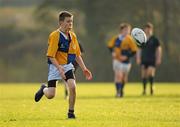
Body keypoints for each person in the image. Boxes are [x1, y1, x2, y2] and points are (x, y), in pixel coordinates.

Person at [34, 11, 92, 119]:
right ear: (61, 22)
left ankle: (71, 113)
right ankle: (43, 89)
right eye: (68, 22)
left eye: (71, 22)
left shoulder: (73, 36)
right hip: (54, 66)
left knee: (73, 87)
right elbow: (50, 56)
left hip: (67, 66)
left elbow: (77, 55)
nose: (70, 24)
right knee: (51, 95)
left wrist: (84, 68)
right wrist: (59, 68)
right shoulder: (54, 36)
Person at [107, 23, 138, 97]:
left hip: (126, 61)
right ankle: (118, 92)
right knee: (118, 75)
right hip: (117, 60)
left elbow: (134, 51)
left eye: (128, 30)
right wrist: (113, 53)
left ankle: (121, 90)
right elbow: (110, 46)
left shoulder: (130, 39)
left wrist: (127, 57)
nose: (127, 31)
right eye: (125, 30)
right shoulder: (116, 38)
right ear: (121, 30)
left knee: (124, 77)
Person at [136, 22, 162, 95]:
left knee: (150, 73)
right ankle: (144, 90)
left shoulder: (154, 39)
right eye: (146, 29)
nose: (147, 30)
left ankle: (151, 87)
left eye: (149, 29)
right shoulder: (142, 39)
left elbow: (159, 49)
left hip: (152, 59)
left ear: (151, 29)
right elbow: (139, 49)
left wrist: (158, 58)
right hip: (144, 59)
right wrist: (138, 58)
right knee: (144, 74)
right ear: (144, 30)